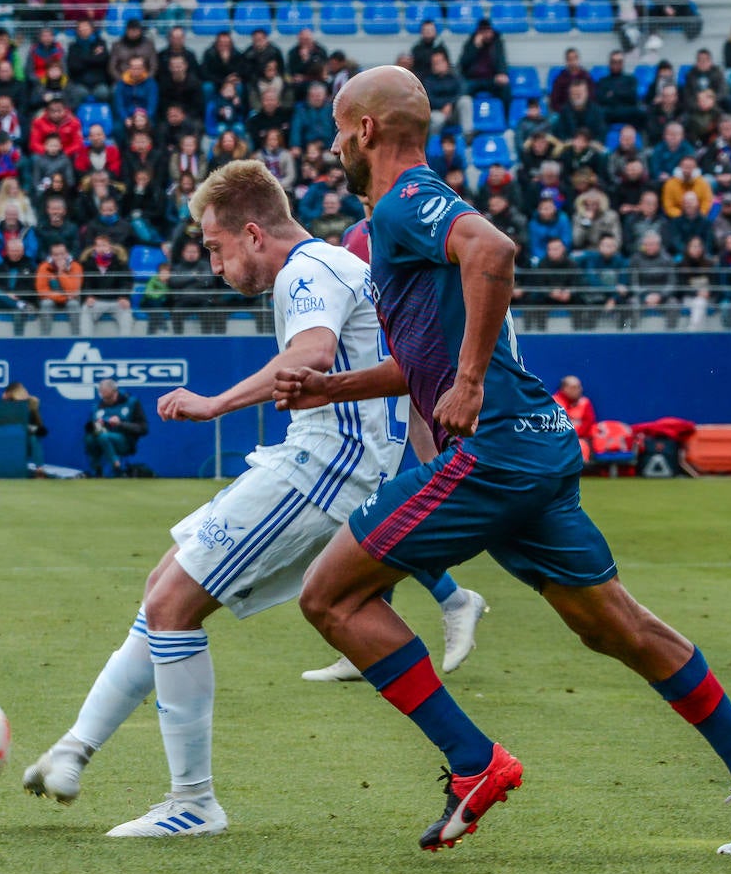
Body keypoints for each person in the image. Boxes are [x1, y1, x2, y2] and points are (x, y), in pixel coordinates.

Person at [271, 64, 731, 855]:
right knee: (612, 625)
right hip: (536, 442)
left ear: (366, 130)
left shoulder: (406, 201)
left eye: (337, 132)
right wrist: (335, 385)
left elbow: (493, 250)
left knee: (330, 597)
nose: (333, 148)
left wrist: (471, 379)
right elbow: (424, 356)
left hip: (494, 449)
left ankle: (473, 762)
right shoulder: (396, 215)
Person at [27, 160, 487, 836]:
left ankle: (192, 801)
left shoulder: (306, 271)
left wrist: (217, 403)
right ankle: (75, 746)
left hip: (322, 467)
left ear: (250, 232)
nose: (214, 266)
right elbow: (399, 376)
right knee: (165, 590)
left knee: (172, 603)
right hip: (337, 467)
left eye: (214, 248)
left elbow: (312, 354)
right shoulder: (342, 266)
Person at [77, 232, 133, 335]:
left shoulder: (120, 262)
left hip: (116, 300)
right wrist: (89, 296)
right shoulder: (88, 262)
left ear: (110, 247)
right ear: (94, 248)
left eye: (104, 245)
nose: (101, 248)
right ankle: (86, 340)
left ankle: (125, 343)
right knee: (86, 310)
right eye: (98, 246)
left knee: (126, 312)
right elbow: (86, 282)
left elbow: (126, 281)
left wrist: (123, 296)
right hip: (97, 300)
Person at [457, 19, 510, 106]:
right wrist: (475, 47)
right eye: (484, 31)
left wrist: (502, 73)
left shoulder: (497, 43)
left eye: (488, 31)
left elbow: (501, 60)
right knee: (462, 91)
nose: (487, 34)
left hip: (492, 79)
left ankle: (506, 118)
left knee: (505, 88)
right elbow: (463, 64)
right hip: (473, 79)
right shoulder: (471, 43)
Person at [3, 381, 48, 476]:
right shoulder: (5, 407)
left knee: (34, 438)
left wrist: (35, 411)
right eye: (20, 391)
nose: (25, 393)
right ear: (10, 394)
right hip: (8, 445)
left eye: (24, 390)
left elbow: (42, 431)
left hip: (24, 445)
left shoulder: (30, 406)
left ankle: (39, 469)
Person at [553, 376, 596, 459]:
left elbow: (588, 424)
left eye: (579, 387)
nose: (578, 390)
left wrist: (573, 435)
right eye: (574, 387)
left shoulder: (585, 403)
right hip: (559, 440)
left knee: (581, 446)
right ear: (564, 388)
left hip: (580, 439)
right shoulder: (554, 402)